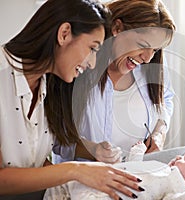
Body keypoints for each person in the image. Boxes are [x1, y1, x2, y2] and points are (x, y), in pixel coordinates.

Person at [0, 1, 143, 200]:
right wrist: (75, 170)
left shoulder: (49, 86)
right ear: (64, 33)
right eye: (93, 48)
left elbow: (32, 164)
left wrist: (91, 155)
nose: (93, 63)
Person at [53, 0, 176, 164]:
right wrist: (93, 150)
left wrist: (159, 133)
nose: (147, 58)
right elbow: (56, 138)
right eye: (142, 45)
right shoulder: (79, 65)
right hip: (83, 181)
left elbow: (166, 99)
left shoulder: (152, 64)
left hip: (136, 176)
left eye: (155, 50)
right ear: (117, 28)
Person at [44, 147, 185, 199]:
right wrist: (136, 156)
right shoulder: (162, 168)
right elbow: (136, 169)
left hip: (105, 195)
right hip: (91, 181)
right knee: (60, 186)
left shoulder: (177, 186)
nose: (179, 156)